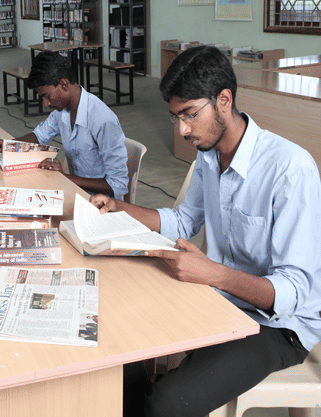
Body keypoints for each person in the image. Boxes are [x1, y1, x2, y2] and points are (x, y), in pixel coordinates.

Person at [89, 46, 321, 417]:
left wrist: (214, 274)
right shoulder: (209, 156)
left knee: (166, 404)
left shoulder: (290, 170)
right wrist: (120, 207)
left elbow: (292, 295)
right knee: (122, 348)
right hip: (220, 299)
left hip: (279, 325)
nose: (182, 130)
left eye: (190, 114)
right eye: (176, 117)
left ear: (224, 100)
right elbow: (184, 221)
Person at [0, 51, 129, 200]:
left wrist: (64, 178)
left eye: (47, 96)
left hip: (101, 204)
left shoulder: (103, 120)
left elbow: (117, 185)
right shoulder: (62, 112)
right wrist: (9, 145)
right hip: (76, 191)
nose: (46, 104)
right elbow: (39, 136)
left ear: (63, 84)